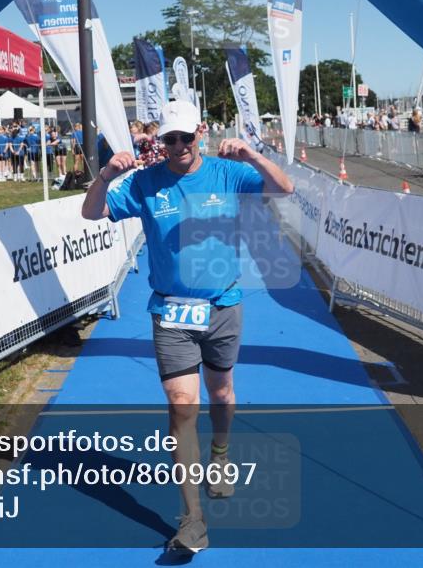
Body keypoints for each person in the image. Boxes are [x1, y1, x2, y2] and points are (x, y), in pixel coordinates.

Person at [81, 99, 293, 555]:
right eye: (168, 139)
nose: (177, 146)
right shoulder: (144, 182)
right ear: (160, 141)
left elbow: (285, 189)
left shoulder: (226, 172)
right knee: (181, 405)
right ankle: (191, 520)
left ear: (200, 132)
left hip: (223, 307)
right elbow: (91, 213)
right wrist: (104, 176)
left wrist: (254, 155)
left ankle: (219, 455)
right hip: (170, 314)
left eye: (185, 137)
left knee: (222, 395)